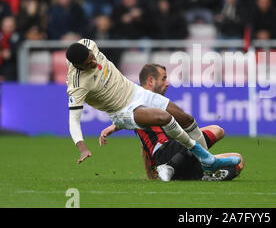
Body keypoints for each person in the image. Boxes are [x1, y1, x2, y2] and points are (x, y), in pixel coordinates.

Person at [65, 39, 240, 173]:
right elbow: (73, 121)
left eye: (92, 57)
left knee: (186, 118)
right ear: (77, 65)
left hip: (135, 91)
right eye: (88, 64)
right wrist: (82, 148)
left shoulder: (88, 44)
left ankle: (205, 164)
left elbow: (92, 54)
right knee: (164, 118)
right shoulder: (77, 84)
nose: (94, 63)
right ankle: (205, 158)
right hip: (121, 111)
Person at [99, 64, 245, 182]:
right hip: (166, 153)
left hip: (179, 152)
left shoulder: (154, 104)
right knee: (211, 133)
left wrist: (151, 176)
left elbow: (144, 146)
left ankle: (197, 170)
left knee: (238, 159)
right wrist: (114, 126)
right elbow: (145, 145)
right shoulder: (140, 103)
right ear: (150, 81)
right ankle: (178, 167)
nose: (167, 83)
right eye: (163, 78)